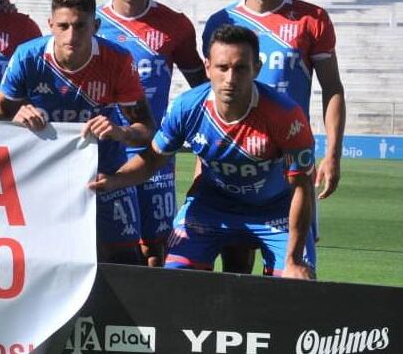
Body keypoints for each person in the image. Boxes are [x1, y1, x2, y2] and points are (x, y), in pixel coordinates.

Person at [90, 25, 316, 279]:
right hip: (209, 206)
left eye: (240, 68)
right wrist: (114, 180)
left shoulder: (286, 115)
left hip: (275, 212)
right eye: (222, 68)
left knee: (295, 284)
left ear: (257, 68)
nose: (230, 79)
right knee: (176, 279)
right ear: (208, 67)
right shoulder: (187, 107)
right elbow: (152, 160)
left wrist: (294, 260)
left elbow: (302, 188)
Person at [203, 0, 345, 273]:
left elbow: (332, 88)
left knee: (292, 266)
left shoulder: (312, 19)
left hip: (291, 158)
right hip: (234, 156)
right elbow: (211, 93)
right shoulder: (221, 23)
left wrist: (332, 154)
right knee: (235, 262)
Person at [0, 0, 154, 264]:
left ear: (96, 26)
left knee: (123, 259)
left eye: (80, 26)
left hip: (102, 173)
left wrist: (120, 132)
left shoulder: (117, 59)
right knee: (42, 257)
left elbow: (146, 130)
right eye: (63, 26)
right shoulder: (28, 57)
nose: (71, 35)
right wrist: (15, 119)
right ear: (50, 24)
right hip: (43, 175)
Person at [96, 0, 207, 267]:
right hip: (108, 152)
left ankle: (151, 316)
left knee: (154, 248)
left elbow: (200, 87)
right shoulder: (92, 26)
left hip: (156, 151)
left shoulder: (175, 25)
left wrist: (201, 144)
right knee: (113, 245)